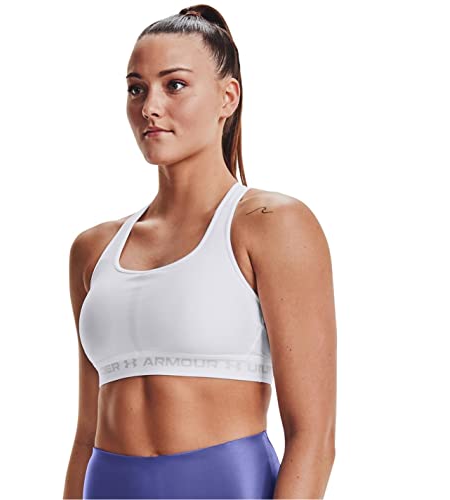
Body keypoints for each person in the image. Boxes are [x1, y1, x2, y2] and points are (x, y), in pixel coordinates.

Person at [63, 5, 337, 499]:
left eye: (175, 85)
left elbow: (313, 438)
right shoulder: (93, 249)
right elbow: (86, 434)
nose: (150, 107)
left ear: (227, 97)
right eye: (136, 88)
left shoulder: (272, 225)